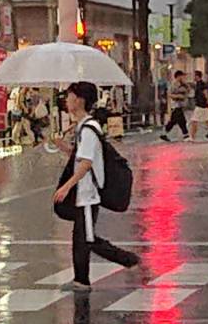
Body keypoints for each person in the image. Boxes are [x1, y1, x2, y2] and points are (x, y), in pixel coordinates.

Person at [52, 81, 143, 291]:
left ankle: (127, 259)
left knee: (87, 239)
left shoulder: (89, 129)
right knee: (81, 239)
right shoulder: (83, 127)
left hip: (88, 194)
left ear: (80, 100)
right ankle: (81, 281)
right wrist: (62, 146)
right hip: (84, 194)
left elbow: (86, 163)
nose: (67, 100)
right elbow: (79, 157)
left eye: (70, 96)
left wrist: (67, 186)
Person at [160, 70, 190, 141]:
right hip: (176, 105)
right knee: (182, 121)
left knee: (173, 121)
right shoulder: (173, 84)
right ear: (178, 76)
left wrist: (185, 84)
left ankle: (164, 134)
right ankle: (186, 135)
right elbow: (169, 94)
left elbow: (188, 90)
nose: (183, 77)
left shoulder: (182, 84)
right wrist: (178, 96)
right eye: (182, 76)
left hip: (180, 105)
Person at [189, 71, 208, 142]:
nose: (193, 77)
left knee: (194, 121)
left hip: (201, 105)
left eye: (194, 76)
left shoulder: (202, 84)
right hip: (202, 106)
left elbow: (206, 95)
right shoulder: (198, 84)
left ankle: (192, 137)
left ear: (197, 76)